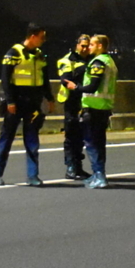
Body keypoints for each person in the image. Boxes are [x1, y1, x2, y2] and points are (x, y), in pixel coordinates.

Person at [0, 23, 54, 186]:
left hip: (33, 104)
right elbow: (5, 80)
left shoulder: (40, 55)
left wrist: (50, 98)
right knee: (6, 138)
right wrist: (10, 101)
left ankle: (33, 176)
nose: (43, 40)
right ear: (33, 36)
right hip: (17, 102)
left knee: (32, 140)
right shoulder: (14, 53)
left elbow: (44, 79)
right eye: (41, 37)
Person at [76, 34, 118, 189]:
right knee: (99, 143)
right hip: (104, 107)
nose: (89, 47)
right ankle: (98, 174)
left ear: (100, 46)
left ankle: (99, 176)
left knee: (92, 143)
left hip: (94, 108)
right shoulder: (110, 61)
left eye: (92, 44)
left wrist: (76, 87)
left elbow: (93, 86)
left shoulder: (98, 62)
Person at [57, 34, 91, 180]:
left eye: (87, 46)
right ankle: (70, 167)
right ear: (77, 45)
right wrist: (76, 86)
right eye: (82, 45)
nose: (84, 49)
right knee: (71, 135)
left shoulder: (92, 60)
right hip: (72, 101)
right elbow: (65, 79)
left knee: (81, 136)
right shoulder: (67, 60)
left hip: (86, 101)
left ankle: (78, 167)